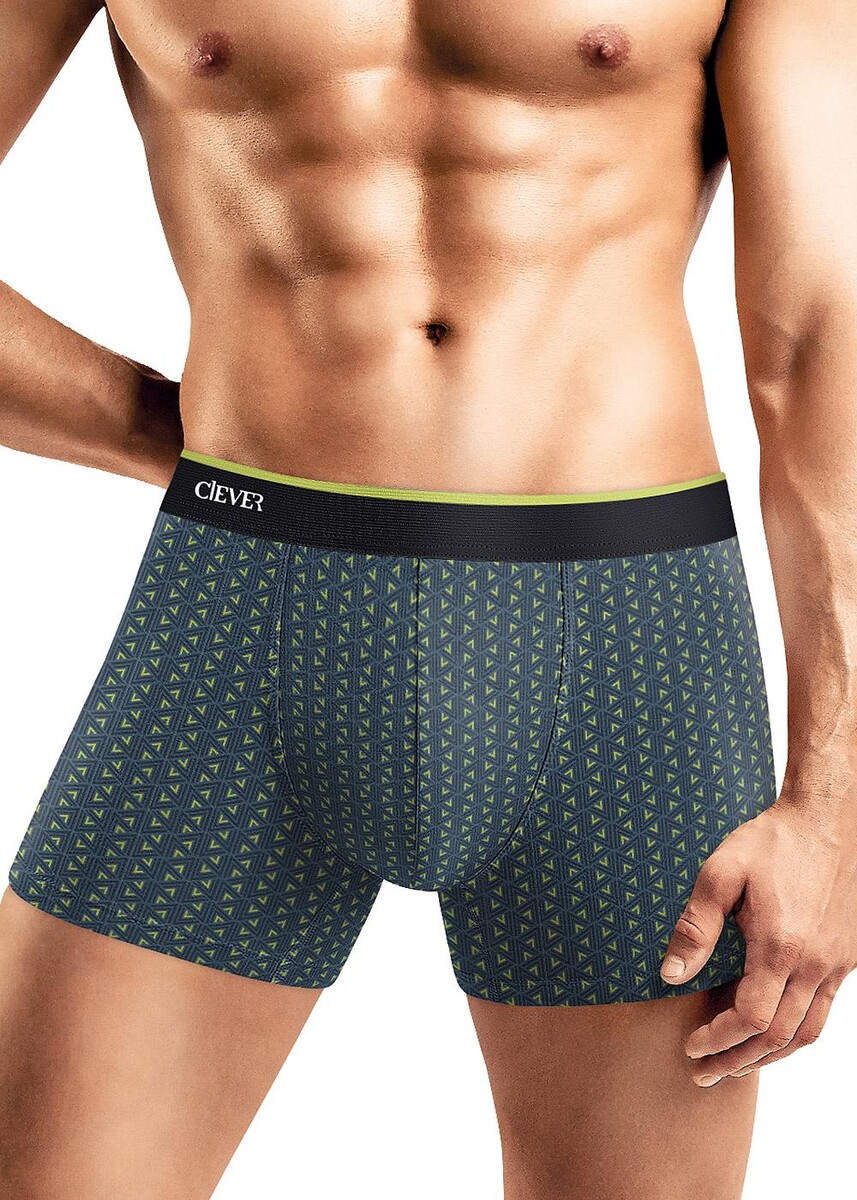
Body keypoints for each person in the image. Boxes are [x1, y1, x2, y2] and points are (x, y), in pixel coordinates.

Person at [1, 0, 856, 1196]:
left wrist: (834, 801)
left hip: (628, 652)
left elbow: (817, 328)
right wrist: (168, 436)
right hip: (244, 611)